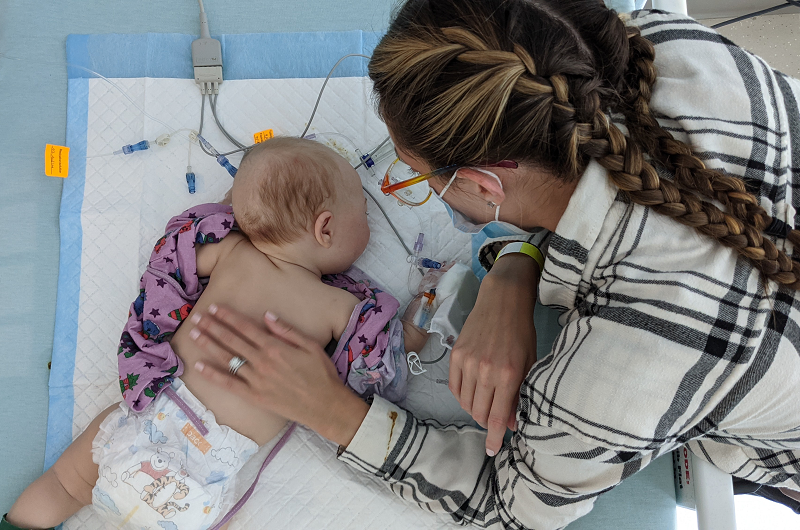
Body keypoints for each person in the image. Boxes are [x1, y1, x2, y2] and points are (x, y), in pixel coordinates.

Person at [181, 1, 800, 528]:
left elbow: (512, 505)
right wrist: (517, 263)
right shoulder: (674, 44)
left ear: (482, 186)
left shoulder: (619, 376)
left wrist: (331, 410)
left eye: (416, 177)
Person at [3, 137, 427, 530]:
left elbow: (174, 254)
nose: (370, 226)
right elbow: (378, 369)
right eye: (365, 216)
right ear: (326, 229)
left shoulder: (230, 251)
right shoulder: (340, 308)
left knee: (65, 483)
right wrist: (416, 326)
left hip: (152, 414)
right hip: (210, 469)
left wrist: (232, 213)